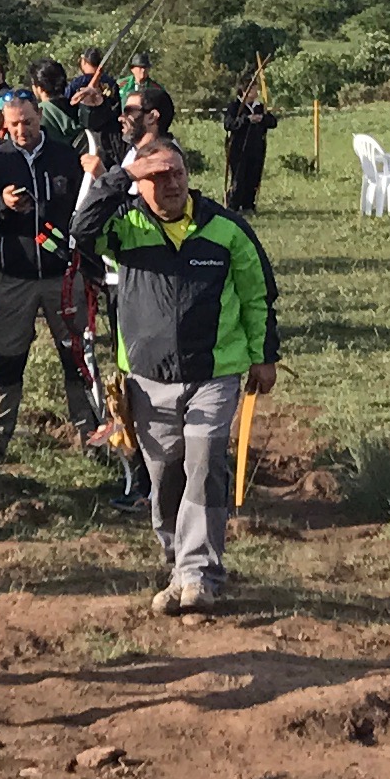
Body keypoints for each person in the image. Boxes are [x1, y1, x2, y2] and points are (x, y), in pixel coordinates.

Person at [76, 135, 283, 615]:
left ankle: (200, 574)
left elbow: (258, 295)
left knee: (205, 462)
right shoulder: (124, 227)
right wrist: (120, 177)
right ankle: (178, 561)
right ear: (139, 183)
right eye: (157, 176)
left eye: (177, 174)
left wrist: (263, 355)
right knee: (165, 474)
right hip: (147, 377)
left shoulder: (226, 230)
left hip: (217, 370)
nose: (170, 184)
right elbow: (81, 232)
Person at [0, 87, 97, 457]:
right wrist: (4, 205)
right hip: (14, 276)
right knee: (7, 357)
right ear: (3, 125)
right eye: (13, 124)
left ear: (39, 116)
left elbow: (83, 207)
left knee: (78, 357)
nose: (21, 129)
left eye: (27, 121)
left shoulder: (64, 157)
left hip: (64, 275)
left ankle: (93, 436)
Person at [213, 56, 278, 216]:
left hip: (256, 148)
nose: (256, 92)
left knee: (253, 177)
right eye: (253, 89)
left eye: (256, 89)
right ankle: (234, 206)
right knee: (239, 178)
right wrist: (246, 119)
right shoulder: (235, 106)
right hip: (238, 149)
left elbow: (272, 122)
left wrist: (262, 119)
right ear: (245, 91)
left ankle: (249, 205)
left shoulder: (259, 107)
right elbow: (229, 124)